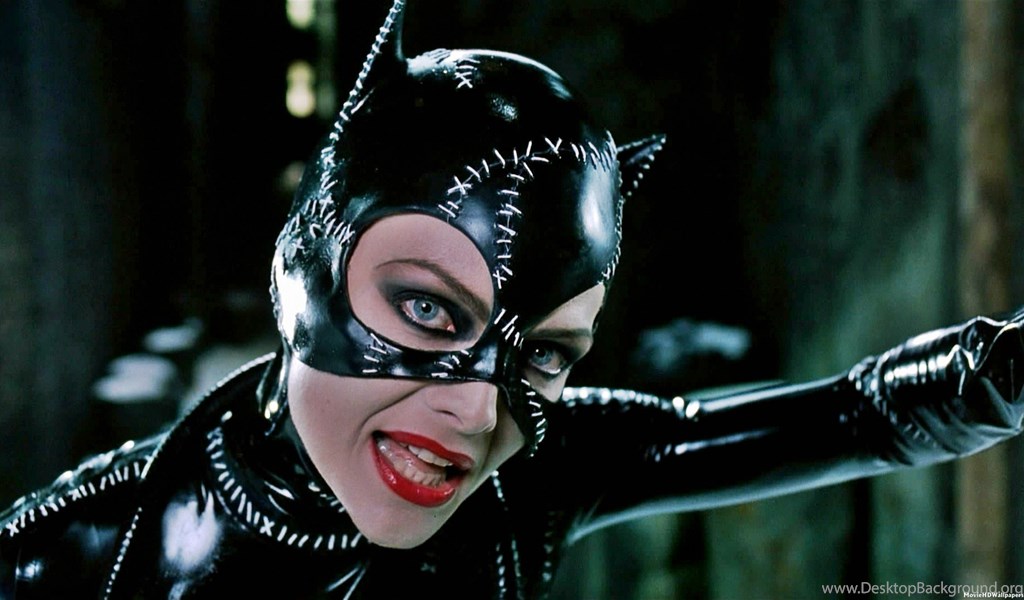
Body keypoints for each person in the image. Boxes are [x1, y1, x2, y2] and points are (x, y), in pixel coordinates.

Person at [2, 1, 1023, 597]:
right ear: (297, 265)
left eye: (541, 352)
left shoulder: (536, 472)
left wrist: (998, 373)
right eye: (428, 311)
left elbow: (866, 415)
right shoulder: (69, 559)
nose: (475, 411)